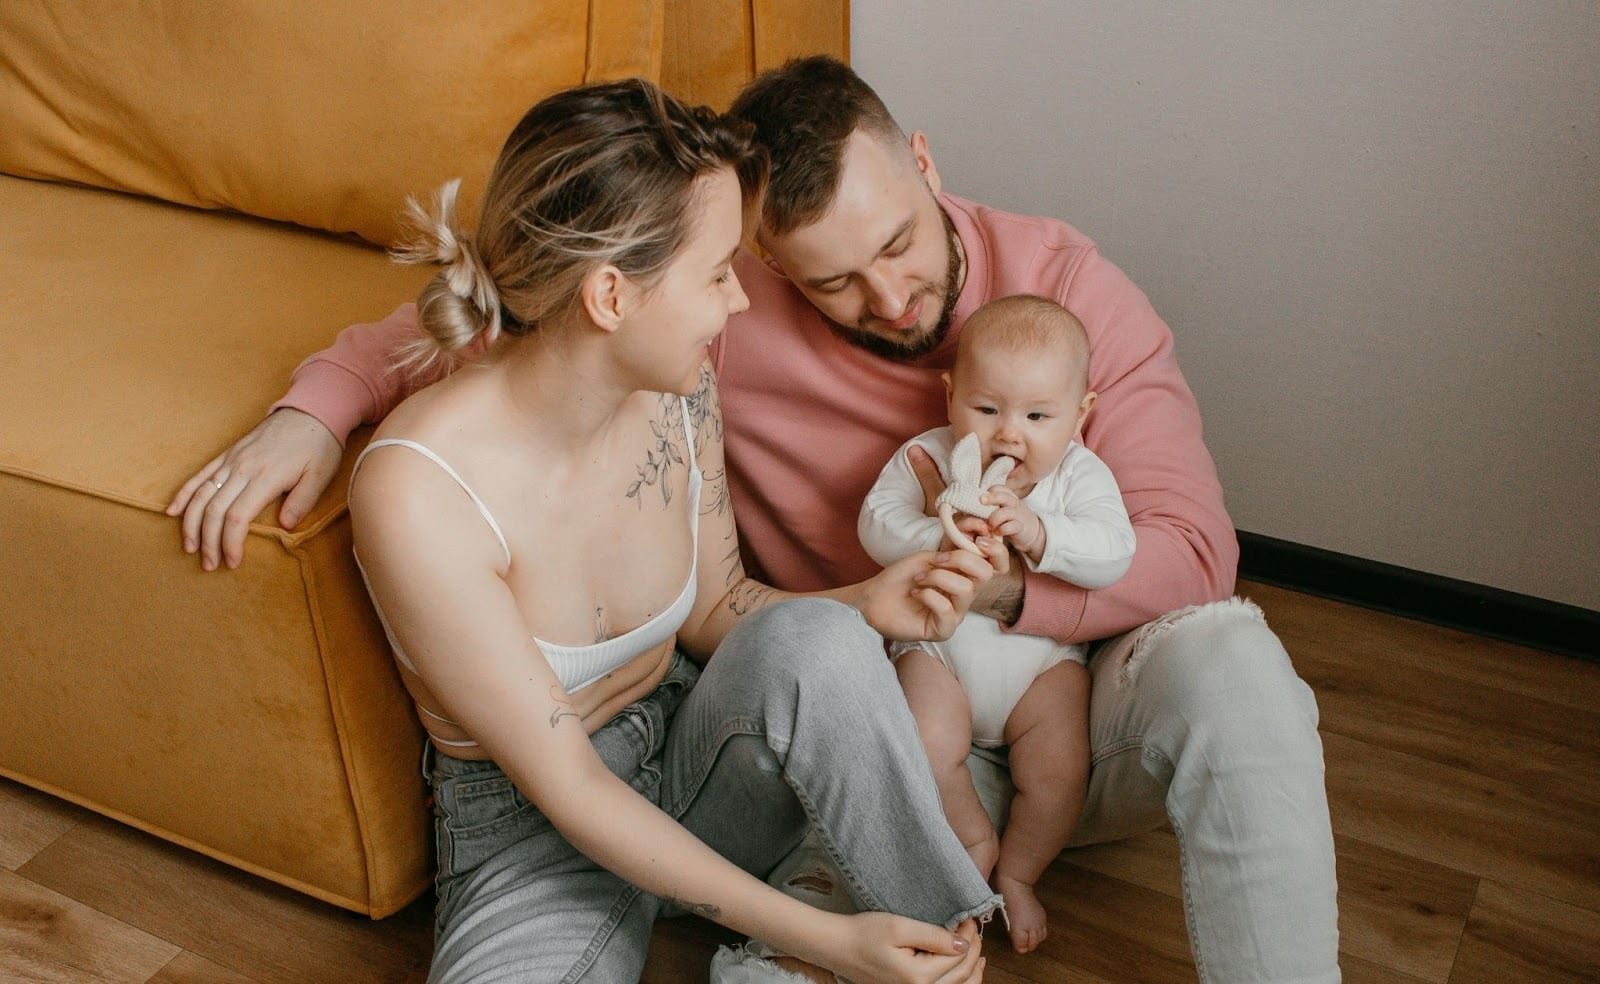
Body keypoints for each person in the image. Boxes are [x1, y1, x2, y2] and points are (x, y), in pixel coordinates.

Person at [171, 57, 1342, 980]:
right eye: (828, 278)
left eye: (897, 244)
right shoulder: (700, 326)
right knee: (821, 715)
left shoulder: (1062, 295)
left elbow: (1195, 554)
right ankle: (829, 933)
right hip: (862, 729)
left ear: (924, 164)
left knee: (1233, 663)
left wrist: (986, 588)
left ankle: (866, 925)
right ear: (767, 261)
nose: (887, 298)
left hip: (1056, 705)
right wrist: (318, 410)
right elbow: (494, 310)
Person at [257, 77, 1008, 982]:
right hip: (532, 830)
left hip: (692, 744)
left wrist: (865, 602)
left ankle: (944, 956)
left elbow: (722, 606)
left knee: (819, 634)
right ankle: (813, 924)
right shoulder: (420, 490)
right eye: (719, 272)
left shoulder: (676, 386)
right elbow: (571, 789)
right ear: (611, 297)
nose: (739, 302)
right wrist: (833, 944)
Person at [858, 294, 1135, 954]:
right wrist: (939, 528)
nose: (1011, 434)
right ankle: (972, 834)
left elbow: (1114, 551)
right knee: (920, 744)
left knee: (1062, 771)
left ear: (1080, 414)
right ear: (951, 397)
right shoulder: (927, 455)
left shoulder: (1077, 475)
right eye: (987, 409)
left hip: (1041, 665)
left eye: (1039, 415)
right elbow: (875, 525)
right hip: (941, 653)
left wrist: (1041, 533)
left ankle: (1018, 871)